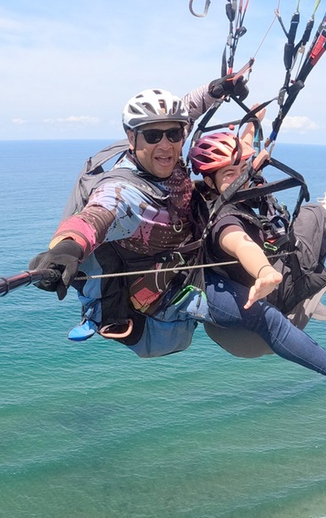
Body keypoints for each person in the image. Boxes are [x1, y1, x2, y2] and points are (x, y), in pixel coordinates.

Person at [29, 80, 245, 358]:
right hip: (155, 317)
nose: (166, 144)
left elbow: (189, 109)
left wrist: (217, 89)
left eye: (174, 134)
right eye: (153, 135)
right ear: (132, 138)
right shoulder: (126, 191)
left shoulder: (163, 147)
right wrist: (66, 249)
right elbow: (98, 215)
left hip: (183, 275)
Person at [190, 130, 326, 397]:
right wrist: (263, 271)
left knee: (292, 231)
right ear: (209, 180)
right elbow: (240, 242)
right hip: (256, 296)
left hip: (250, 276)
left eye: (242, 170)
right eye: (230, 175)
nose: (241, 179)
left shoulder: (210, 194)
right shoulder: (223, 220)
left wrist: (252, 128)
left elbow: (242, 170)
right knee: (310, 217)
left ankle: (311, 282)